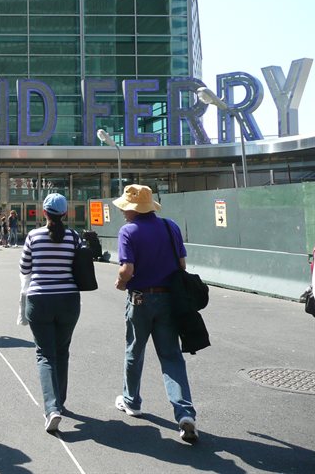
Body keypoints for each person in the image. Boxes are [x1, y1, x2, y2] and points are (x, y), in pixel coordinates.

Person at [112, 184, 199, 444]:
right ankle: (185, 414)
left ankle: (132, 401)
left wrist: (120, 283)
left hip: (140, 299)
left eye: (125, 209)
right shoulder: (170, 226)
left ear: (133, 210)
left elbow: (127, 269)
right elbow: (182, 265)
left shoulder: (128, 231)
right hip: (169, 300)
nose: (123, 213)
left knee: (134, 351)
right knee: (171, 356)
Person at [18, 193, 80, 433]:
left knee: (45, 354)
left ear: (44, 213)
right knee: (62, 350)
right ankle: (60, 403)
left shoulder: (34, 236)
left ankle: (52, 408)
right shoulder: (74, 237)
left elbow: (25, 267)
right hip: (68, 300)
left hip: (40, 299)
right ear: (65, 213)